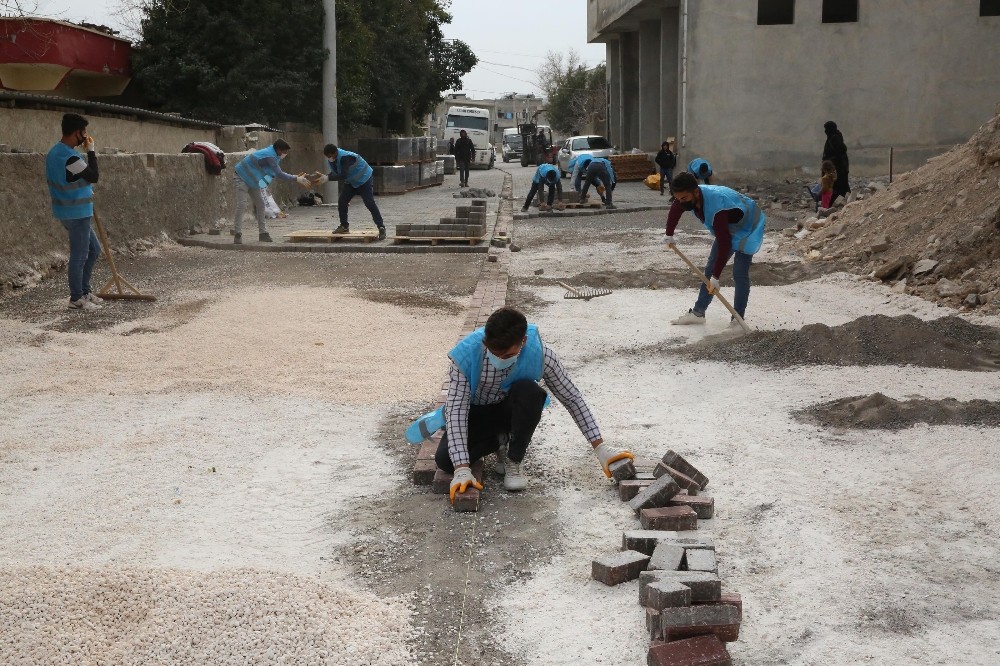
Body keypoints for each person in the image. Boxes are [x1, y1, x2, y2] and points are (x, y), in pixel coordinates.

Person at [407, 307, 634, 504]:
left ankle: (513, 460)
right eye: (495, 353)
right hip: (475, 413)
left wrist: (600, 447)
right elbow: (457, 411)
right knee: (445, 460)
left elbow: (571, 398)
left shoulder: (540, 354)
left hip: (510, 411)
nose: (500, 358)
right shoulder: (465, 356)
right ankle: (499, 441)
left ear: (523, 341)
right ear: (486, 341)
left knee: (531, 392)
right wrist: (462, 468)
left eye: (508, 354)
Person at [664, 171, 766, 325]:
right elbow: (675, 209)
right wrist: (669, 234)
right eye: (678, 198)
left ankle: (737, 319)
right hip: (728, 224)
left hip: (749, 224)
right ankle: (698, 314)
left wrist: (716, 278)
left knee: (739, 272)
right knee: (711, 268)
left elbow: (725, 243)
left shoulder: (716, 206)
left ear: (696, 192)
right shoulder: (687, 197)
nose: (681, 202)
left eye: (684, 198)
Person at [46, 113, 103, 310]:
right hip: (76, 212)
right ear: (75, 132)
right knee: (80, 255)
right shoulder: (70, 157)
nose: (85, 137)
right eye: (83, 132)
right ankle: (76, 298)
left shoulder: (55, 152)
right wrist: (92, 151)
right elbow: (94, 176)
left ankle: (85, 291)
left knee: (94, 250)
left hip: (69, 210)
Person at [232, 139, 311, 244]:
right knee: (242, 204)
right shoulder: (270, 156)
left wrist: (262, 185)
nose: (285, 154)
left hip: (253, 180)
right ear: (278, 149)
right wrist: (296, 178)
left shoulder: (274, 156)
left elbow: (271, 173)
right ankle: (237, 233)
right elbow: (279, 174)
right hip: (241, 176)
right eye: (284, 152)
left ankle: (263, 233)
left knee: (260, 205)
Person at [311, 144, 387, 240]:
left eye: (330, 156)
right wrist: (325, 177)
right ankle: (344, 226)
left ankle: (381, 227)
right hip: (352, 182)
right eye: (327, 156)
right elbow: (336, 172)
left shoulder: (345, 157)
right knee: (342, 201)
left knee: (369, 203)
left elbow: (343, 174)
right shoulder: (332, 160)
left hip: (364, 179)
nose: (329, 158)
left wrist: (327, 178)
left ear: (335, 153)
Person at [822, 121, 850, 205]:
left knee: (837, 187)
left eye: (826, 129)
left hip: (838, 169)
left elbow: (842, 150)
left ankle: (837, 204)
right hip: (835, 168)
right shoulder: (833, 137)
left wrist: (831, 161)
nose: (825, 131)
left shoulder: (835, 139)